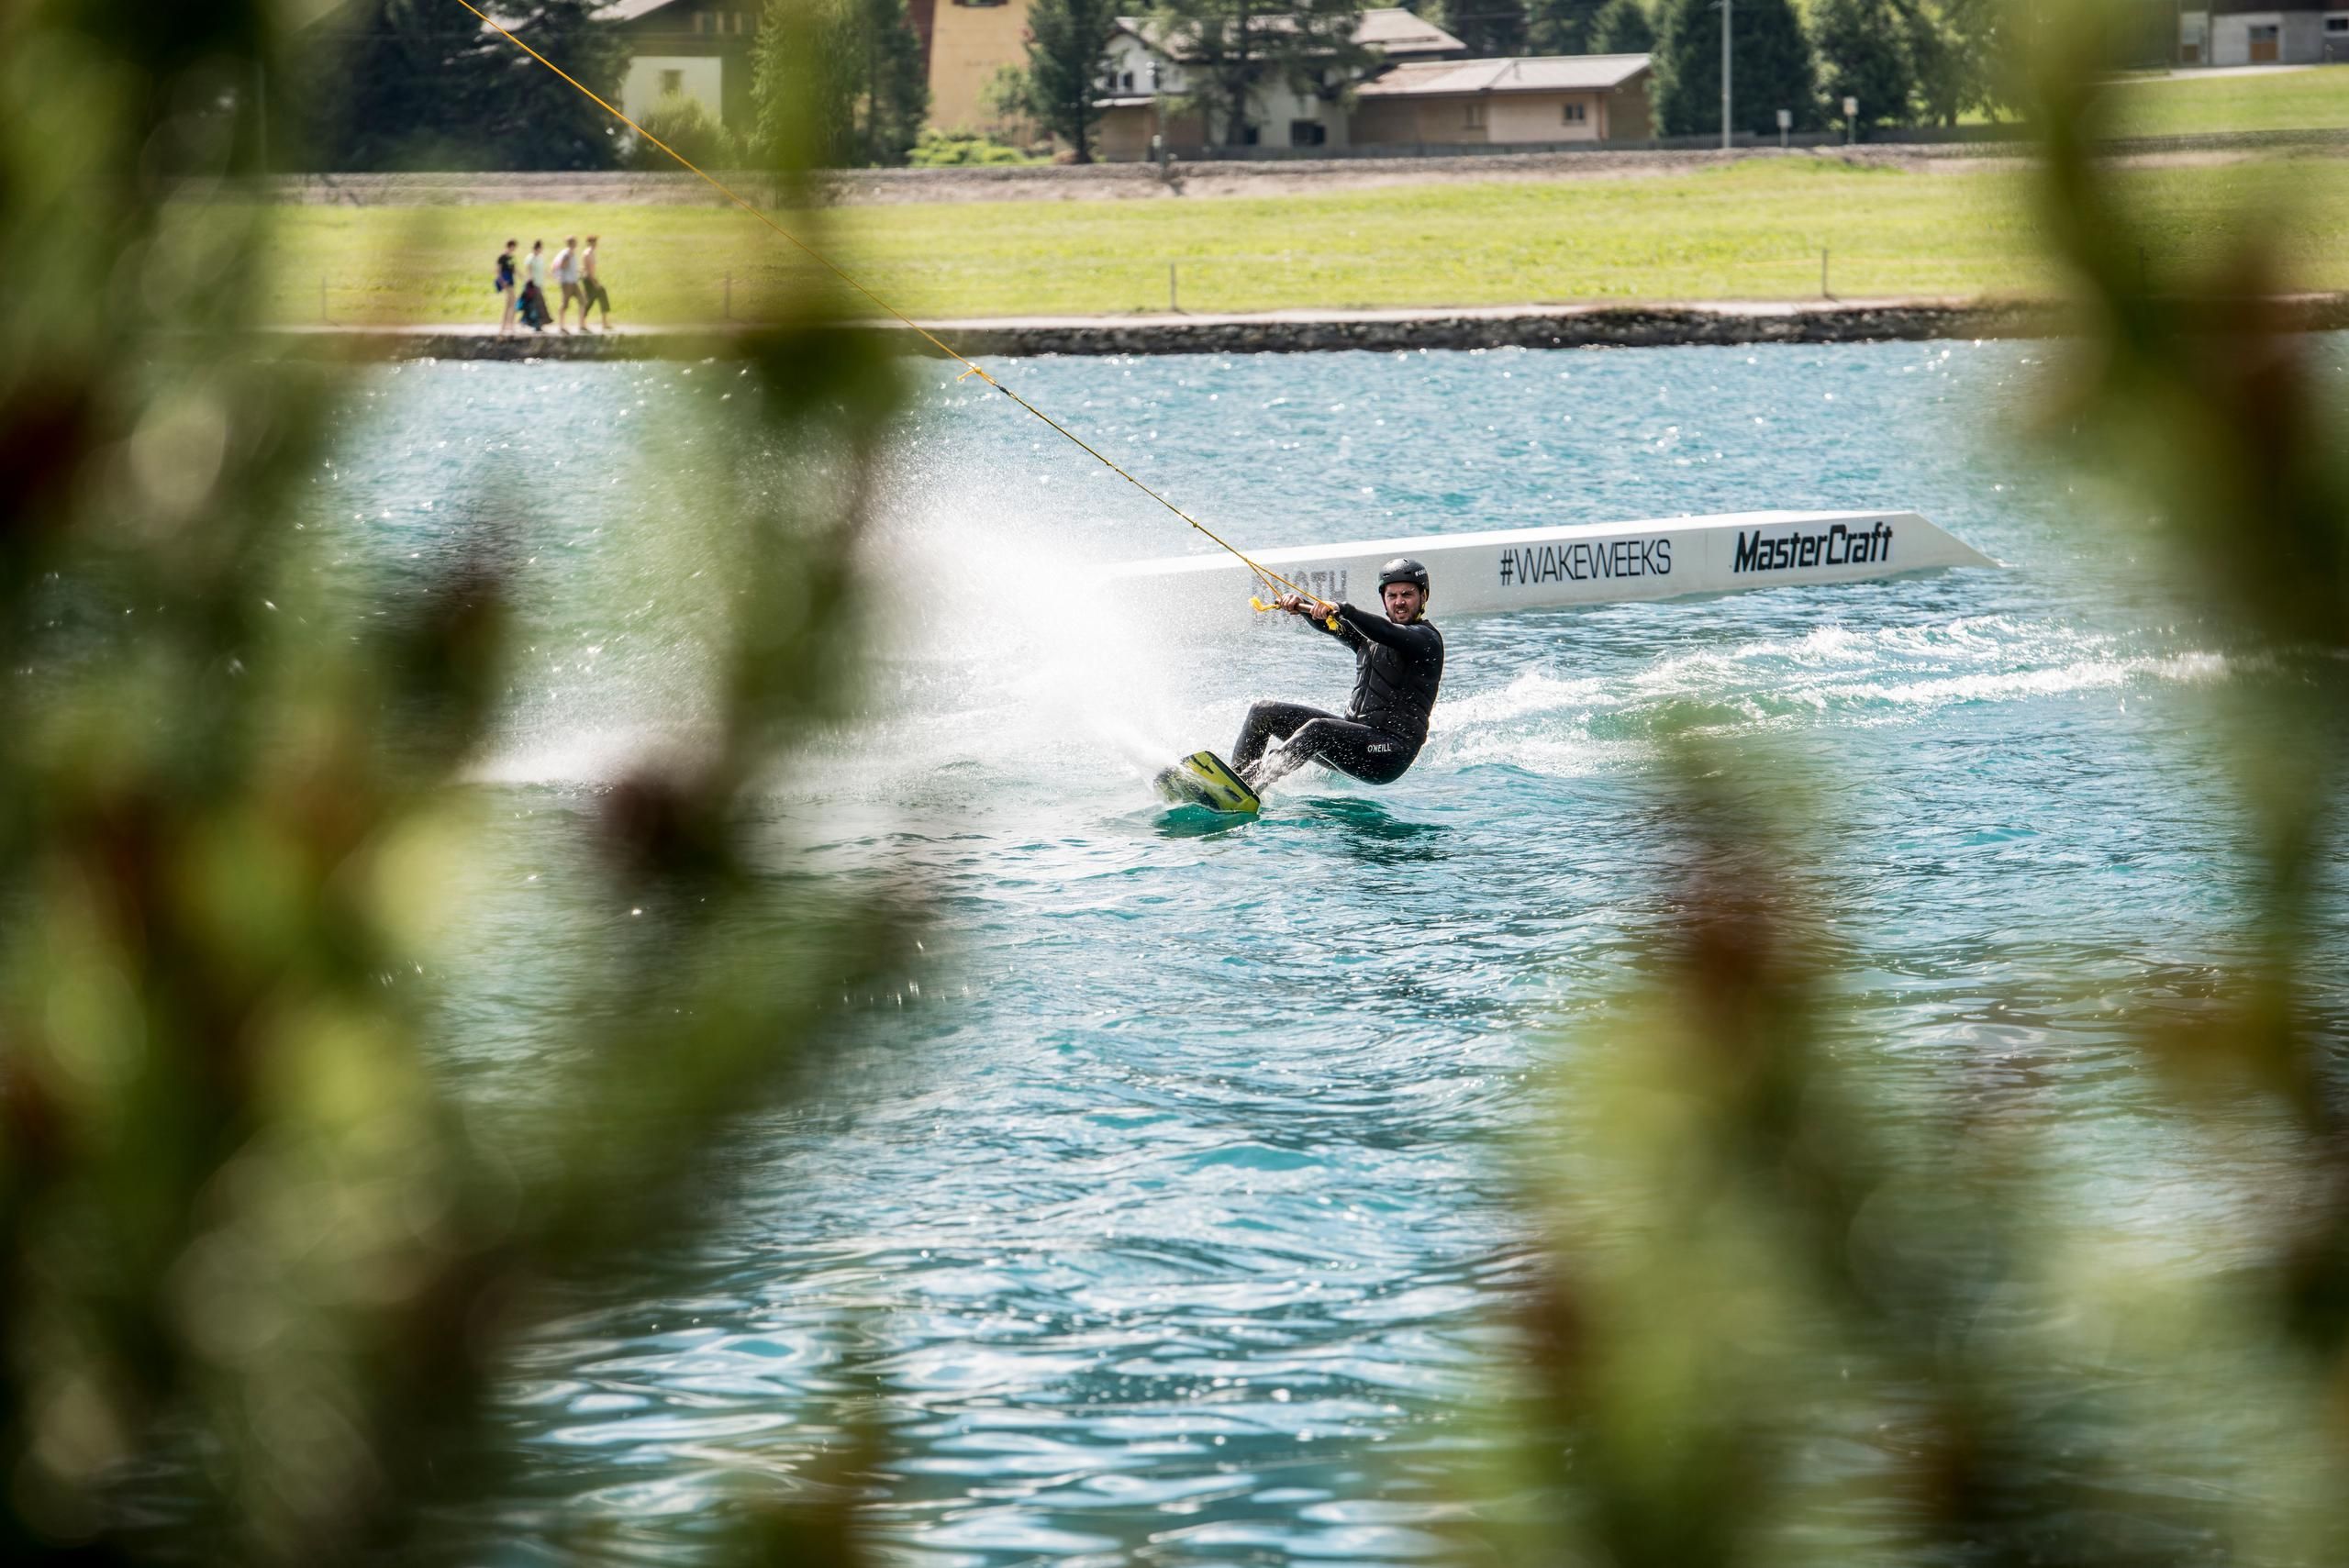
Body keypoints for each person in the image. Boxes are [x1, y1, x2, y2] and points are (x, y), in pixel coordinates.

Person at [1232, 557, 1444, 791]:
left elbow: (1387, 631)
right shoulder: (1368, 639)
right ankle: (1234, 779)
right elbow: (1332, 625)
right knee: (1263, 712)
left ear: (1423, 597)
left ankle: (1251, 786)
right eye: (1392, 596)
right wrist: (1302, 606)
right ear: (1384, 600)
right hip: (1356, 742)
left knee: (1319, 729)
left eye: (1407, 595)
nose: (1399, 602)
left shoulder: (1426, 640)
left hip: (1390, 752)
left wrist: (1343, 608)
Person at [580, 234, 611, 331]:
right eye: (594, 242)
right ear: (591, 243)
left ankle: (604, 323)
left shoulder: (590, 253)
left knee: (599, 296)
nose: (596, 244)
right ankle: (583, 324)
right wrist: (594, 283)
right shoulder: (588, 253)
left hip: (591, 279)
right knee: (590, 300)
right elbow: (588, 271)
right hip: (589, 280)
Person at [552, 235, 584, 333]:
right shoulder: (567, 254)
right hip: (567, 282)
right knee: (565, 304)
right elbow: (562, 266)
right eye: (575, 242)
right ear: (572, 243)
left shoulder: (572, 253)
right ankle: (561, 326)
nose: (576, 244)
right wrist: (567, 260)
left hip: (574, 281)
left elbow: (570, 267)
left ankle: (581, 325)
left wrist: (578, 270)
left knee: (582, 300)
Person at [518, 239, 551, 332]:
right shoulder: (530, 258)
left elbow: (543, 270)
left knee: (535, 305)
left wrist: (550, 275)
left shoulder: (540, 258)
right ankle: (537, 325)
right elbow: (528, 270)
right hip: (532, 285)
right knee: (537, 305)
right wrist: (530, 282)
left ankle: (525, 321)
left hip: (539, 284)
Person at [494, 239, 518, 335]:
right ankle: (508, 325)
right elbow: (498, 271)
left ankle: (506, 325)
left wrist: (524, 278)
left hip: (511, 281)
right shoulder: (502, 257)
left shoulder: (511, 257)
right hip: (505, 282)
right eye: (514, 247)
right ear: (510, 246)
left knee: (509, 304)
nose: (514, 249)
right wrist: (502, 282)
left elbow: (514, 270)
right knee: (513, 302)